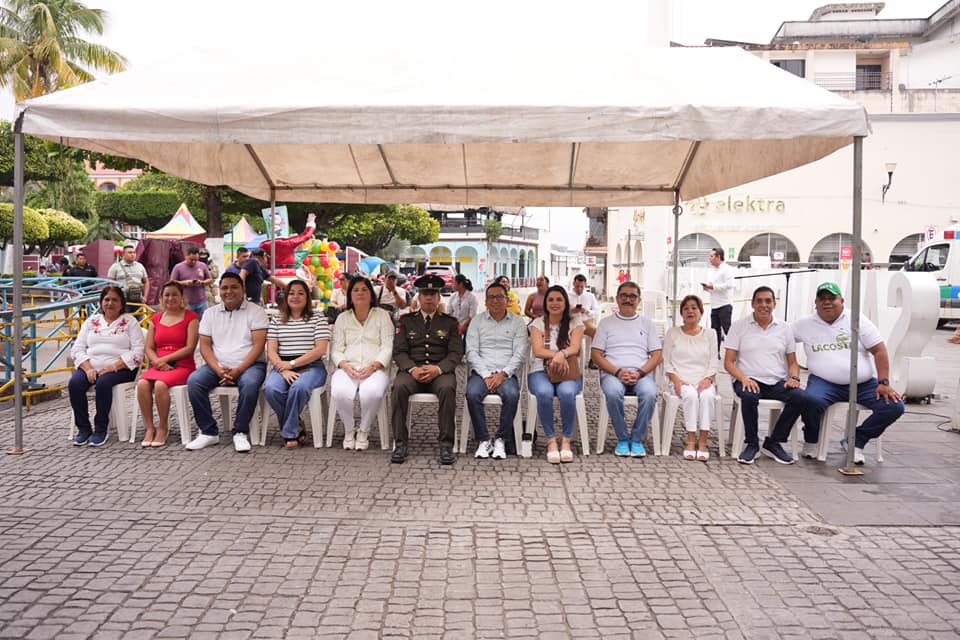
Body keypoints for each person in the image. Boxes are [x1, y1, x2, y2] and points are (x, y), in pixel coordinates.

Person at [791, 282, 904, 466]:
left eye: (832, 298)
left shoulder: (858, 320)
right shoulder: (804, 324)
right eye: (822, 299)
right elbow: (781, 339)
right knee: (810, 400)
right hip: (823, 382)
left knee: (894, 406)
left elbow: (879, 350)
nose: (827, 302)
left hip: (863, 383)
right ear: (816, 303)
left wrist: (884, 382)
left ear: (842, 301)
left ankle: (856, 440)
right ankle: (812, 439)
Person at [185, 272, 269, 452]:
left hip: (250, 365)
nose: (228, 291)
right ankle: (208, 432)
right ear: (219, 291)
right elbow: (205, 347)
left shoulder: (257, 312)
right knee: (194, 382)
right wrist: (218, 370)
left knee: (250, 384)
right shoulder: (210, 313)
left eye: (233, 287)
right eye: (224, 288)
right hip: (217, 365)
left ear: (243, 290)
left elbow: (258, 345)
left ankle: (240, 431)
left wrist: (239, 370)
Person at [723, 286, 805, 465]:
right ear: (752, 304)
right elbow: (728, 362)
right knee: (749, 396)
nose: (763, 305)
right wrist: (743, 378)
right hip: (747, 379)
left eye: (768, 301)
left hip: (776, 381)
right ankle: (752, 443)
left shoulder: (784, 329)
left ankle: (774, 442)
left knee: (800, 396)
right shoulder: (739, 326)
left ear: (774, 304)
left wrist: (795, 378)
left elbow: (793, 362)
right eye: (759, 301)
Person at [390, 274, 464, 465]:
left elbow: (456, 353)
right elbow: (399, 352)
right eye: (425, 293)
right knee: (398, 388)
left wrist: (438, 369)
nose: (429, 297)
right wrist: (412, 369)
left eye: (433, 293)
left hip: (440, 373)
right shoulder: (406, 321)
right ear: (418, 297)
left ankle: (446, 445)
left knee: (448, 389)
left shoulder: (450, 322)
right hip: (412, 372)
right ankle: (400, 443)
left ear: (439, 297)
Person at [68, 286, 145, 446]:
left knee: (103, 383)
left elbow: (138, 352)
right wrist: (88, 368)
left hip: (122, 368)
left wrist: (114, 366)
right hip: (91, 367)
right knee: (75, 384)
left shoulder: (130, 322)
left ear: (122, 303)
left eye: (114, 300)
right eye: (107, 300)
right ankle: (83, 429)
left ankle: (101, 429)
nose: (110, 303)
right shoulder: (91, 321)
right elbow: (77, 348)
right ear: (101, 302)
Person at [591, 281, 660, 458]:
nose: (628, 300)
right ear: (617, 299)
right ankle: (622, 438)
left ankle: (636, 439)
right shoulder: (605, 324)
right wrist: (618, 372)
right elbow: (596, 355)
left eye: (632, 296)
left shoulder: (647, 324)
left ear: (639, 300)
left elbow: (657, 355)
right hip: (613, 373)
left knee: (650, 393)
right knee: (613, 393)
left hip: (641, 373)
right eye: (624, 296)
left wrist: (640, 373)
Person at [263, 279, 331, 449]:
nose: (295, 296)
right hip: (282, 365)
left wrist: (292, 364)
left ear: (307, 297)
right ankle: (296, 424)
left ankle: (289, 433)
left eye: (301, 293)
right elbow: (271, 350)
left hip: (312, 366)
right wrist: (282, 368)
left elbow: (320, 349)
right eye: (291, 293)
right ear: (286, 296)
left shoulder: (317, 317)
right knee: (271, 389)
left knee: (298, 387)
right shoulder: (277, 319)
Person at [465, 281, 529, 459]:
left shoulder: (517, 323)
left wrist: (503, 374)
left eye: (499, 297)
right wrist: (486, 375)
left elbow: (520, 353)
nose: (495, 301)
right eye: (491, 297)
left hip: (506, 373)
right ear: (485, 302)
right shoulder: (477, 322)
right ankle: (484, 440)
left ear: (507, 300)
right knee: (472, 394)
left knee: (512, 395)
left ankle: (501, 438)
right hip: (481, 373)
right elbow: (471, 351)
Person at [330, 276, 394, 450]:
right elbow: (336, 349)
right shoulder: (342, 318)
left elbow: (387, 346)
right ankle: (350, 430)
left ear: (371, 295)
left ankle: (364, 430)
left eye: (364, 290)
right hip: (348, 367)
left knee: (372, 393)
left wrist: (374, 366)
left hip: (375, 368)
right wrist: (344, 365)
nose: (360, 293)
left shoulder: (382, 316)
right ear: (350, 295)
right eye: (356, 290)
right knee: (340, 391)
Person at [136, 281, 199, 447]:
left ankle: (163, 427)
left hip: (182, 364)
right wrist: (157, 361)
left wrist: (164, 359)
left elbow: (190, 347)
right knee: (142, 383)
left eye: (174, 294)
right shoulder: (155, 319)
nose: (170, 298)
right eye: (167, 295)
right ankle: (150, 427)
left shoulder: (191, 318)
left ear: (182, 297)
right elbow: (149, 347)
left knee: (160, 385)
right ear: (162, 298)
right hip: (157, 364)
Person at [528, 285, 584, 463]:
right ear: (545, 303)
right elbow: (537, 351)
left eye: (559, 299)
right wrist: (556, 356)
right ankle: (551, 440)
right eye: (551, 299)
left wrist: (562, 355)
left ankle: (566, 440)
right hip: (540, 370)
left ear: (566, 302)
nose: (554, 303)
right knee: (544, 393)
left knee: (567, 393)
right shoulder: (537, 324)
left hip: (568, 371)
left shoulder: (576, 322)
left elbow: (574, 347)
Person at [662, 295, 717, 461]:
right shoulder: (673, 333)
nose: (690, 311)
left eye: (694, 308)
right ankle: (691, 440)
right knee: (691, 396)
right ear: (681, 313)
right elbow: (666, 361)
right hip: (681, 379)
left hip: (703, 379)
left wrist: (707, 379)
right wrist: (676, 380)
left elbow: (714, 360)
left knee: (707, 396)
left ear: (701, 312)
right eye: (686, 308)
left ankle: (704, 442)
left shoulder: (710, 334)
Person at [701, 247, 735, 353]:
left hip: (724, 305)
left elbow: (730, 285)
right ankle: (716, 354)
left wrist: (713, 287)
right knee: (714, 332)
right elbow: (714, 288)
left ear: (718, 257)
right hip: (714, 305)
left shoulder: (727, 269)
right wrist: (708, 288)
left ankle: (733, 352)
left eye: (711, 256)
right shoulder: (713, 271)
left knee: (727, 330)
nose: (709, 259)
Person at [169, 247, 213, 317]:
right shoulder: (178, 267)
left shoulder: (202, 265)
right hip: (186, 302)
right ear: (186, 256)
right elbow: (172, 282)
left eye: (196, 260)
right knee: (188, 322)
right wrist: (184, 283)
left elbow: (210, 279)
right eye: (191, 259)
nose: (193, 262)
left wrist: (202, 283)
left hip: (202, 301)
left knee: (204, 323)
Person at [107, 245, 149, 312]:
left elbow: (146, 281)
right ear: (123, 254)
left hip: (137, 298)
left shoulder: (140, 266)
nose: (133, 255)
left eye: (134, 252)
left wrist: (145, 297)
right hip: (122, 299)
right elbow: (110, 283)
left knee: (138, 319)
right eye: (130, 252)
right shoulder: (115, 267)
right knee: (123, 319)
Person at [568, 274, 600, 339]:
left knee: (597, 332)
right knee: (570, 334)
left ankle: (594, 349)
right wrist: (571, 311)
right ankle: (575, 348)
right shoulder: (567, 295)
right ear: (573, 284)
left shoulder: (590, 296)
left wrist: (587, 311)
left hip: (586, 321)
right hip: (572, 322)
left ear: (585, 285)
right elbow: (562, 312)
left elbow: (597, 311)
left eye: (582, 287)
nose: (579, 289)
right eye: (577, 286)